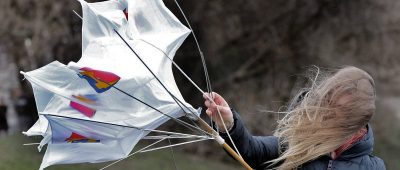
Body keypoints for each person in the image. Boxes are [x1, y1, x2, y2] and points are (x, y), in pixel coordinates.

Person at [204, 66, 385, 170]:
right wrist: (228, 124)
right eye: (328, 103)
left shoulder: (373, 168)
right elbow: (252, 150)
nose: (328, 114)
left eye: (340, 111)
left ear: (358, 125)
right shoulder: (300, 145)